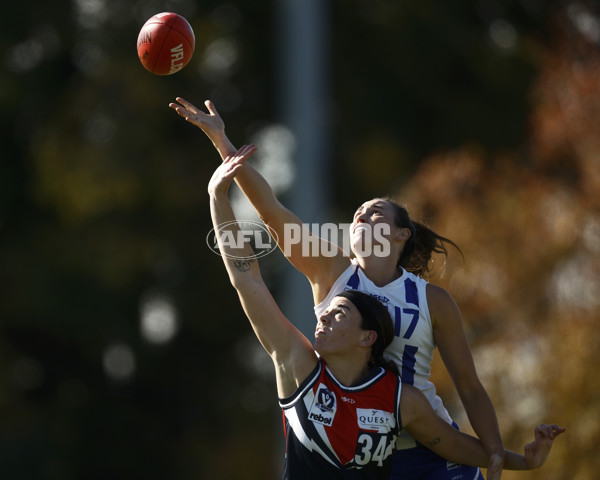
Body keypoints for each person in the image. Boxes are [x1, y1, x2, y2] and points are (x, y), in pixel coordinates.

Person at [169, 98, 546, 478]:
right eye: (358, 213)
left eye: (375, 211)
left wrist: (496, 452)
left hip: (429, 443)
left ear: (402, 234)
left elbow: (469, 385)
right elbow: (270, 211)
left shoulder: (432, 300)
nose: (361, 214)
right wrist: (222, 144)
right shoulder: (332, 271)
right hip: (364, 448)